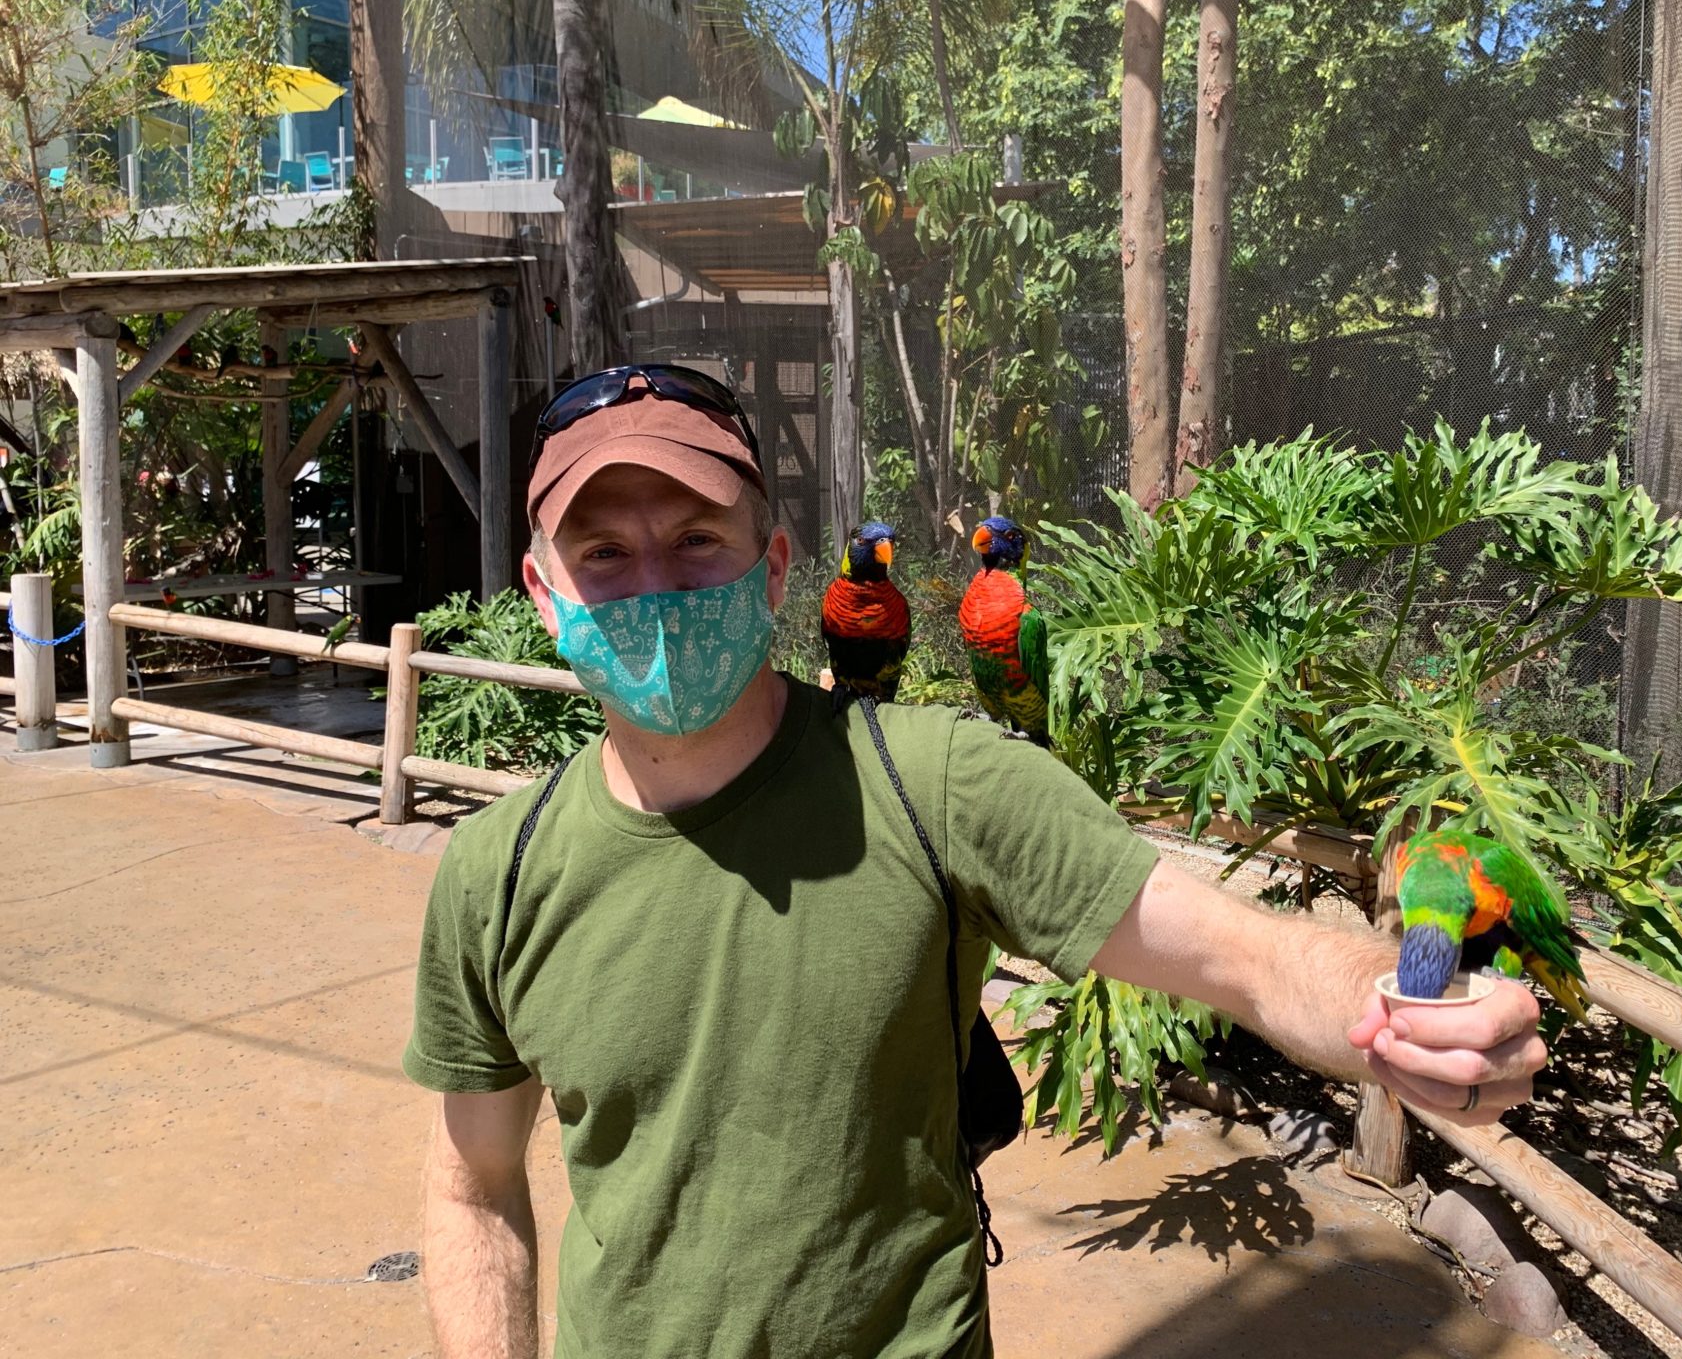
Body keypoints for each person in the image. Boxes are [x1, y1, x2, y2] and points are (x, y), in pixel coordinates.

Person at [404, 364, 1550, 1359]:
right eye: (604, 553)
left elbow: (1240, 957)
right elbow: (471, 1185)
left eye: (697, 540)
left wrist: (1398, 1007)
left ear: (771, 567)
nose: (655, 588)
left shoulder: (934, 781)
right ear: (544, 595)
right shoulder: (495, 872)